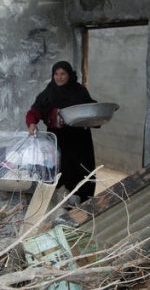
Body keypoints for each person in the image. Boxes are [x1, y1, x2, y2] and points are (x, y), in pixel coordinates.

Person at [25, 61, 97, 202]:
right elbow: (34, 112)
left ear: (69, 75)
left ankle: (84, 201)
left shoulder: (79, 91)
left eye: (63, 74)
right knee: (60, 169)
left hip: (79, 140)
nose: (59, 77)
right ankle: (61, 202)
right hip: (57, 140)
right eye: (56, 74)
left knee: (82, 169)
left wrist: (94, 119)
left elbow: (91, 110)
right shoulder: (48, 93)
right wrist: (31, 123)